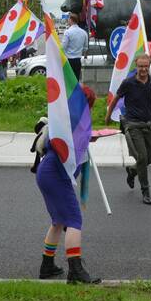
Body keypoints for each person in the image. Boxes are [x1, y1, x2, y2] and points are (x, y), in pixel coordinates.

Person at [35, 85, 101, 285]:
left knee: (59, 221)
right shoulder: (73, 124)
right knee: (74, 220)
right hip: (56, 175)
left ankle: (47, 266)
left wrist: (87, 137)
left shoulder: (65, 120)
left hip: (47, 173)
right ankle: (75, 271)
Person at [110, 54, 151, 205]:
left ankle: (132, 171)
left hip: (149, 125)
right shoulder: (128, 83)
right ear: (136, 66)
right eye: (141, 66)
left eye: (146, 66)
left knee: (148, 159)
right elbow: (115, 99)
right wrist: (108, 116)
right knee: (142, 158)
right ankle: (146, 191)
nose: (143, 69)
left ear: (149, 66)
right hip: (133, 125)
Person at [62, 12, 89, 81]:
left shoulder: (67, 32)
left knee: (68, 81)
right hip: (78, 61)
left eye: (68, 19)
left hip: (68, 61)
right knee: (76, 81)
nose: (68, 20)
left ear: (71, 20)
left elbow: (63, 47)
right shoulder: (84, 32)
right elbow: (85, 48)